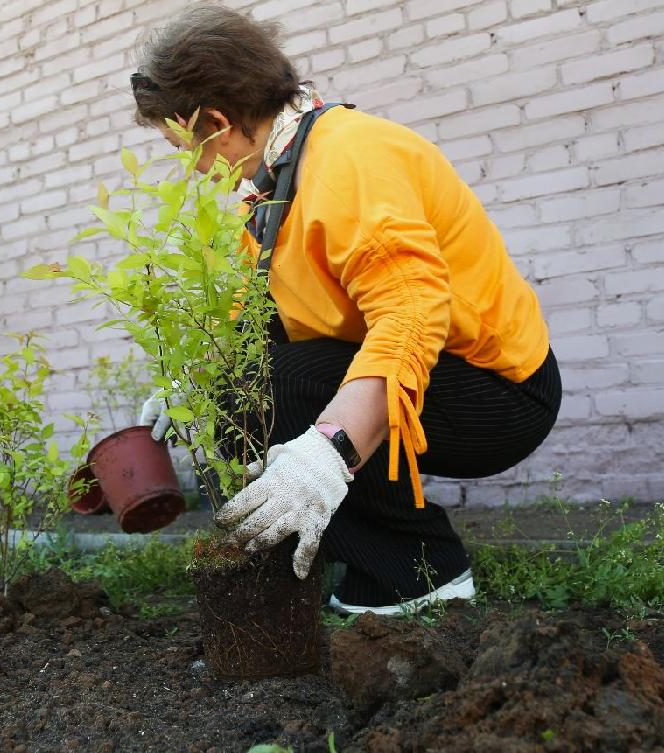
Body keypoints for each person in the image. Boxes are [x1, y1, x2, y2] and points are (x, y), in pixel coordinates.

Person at [133, 5, 562, 615]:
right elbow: (255, 314)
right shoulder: (280, 182)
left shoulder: (346, 160)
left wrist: (328, 452)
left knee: (273, 386)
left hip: (496, 392)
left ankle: (421, 572)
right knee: (242, 387)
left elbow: (411, 314)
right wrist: (195, 384)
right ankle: (366, 567)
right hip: (430, 374)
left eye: (183, 147)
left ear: (218, 123)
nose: (194, 168)